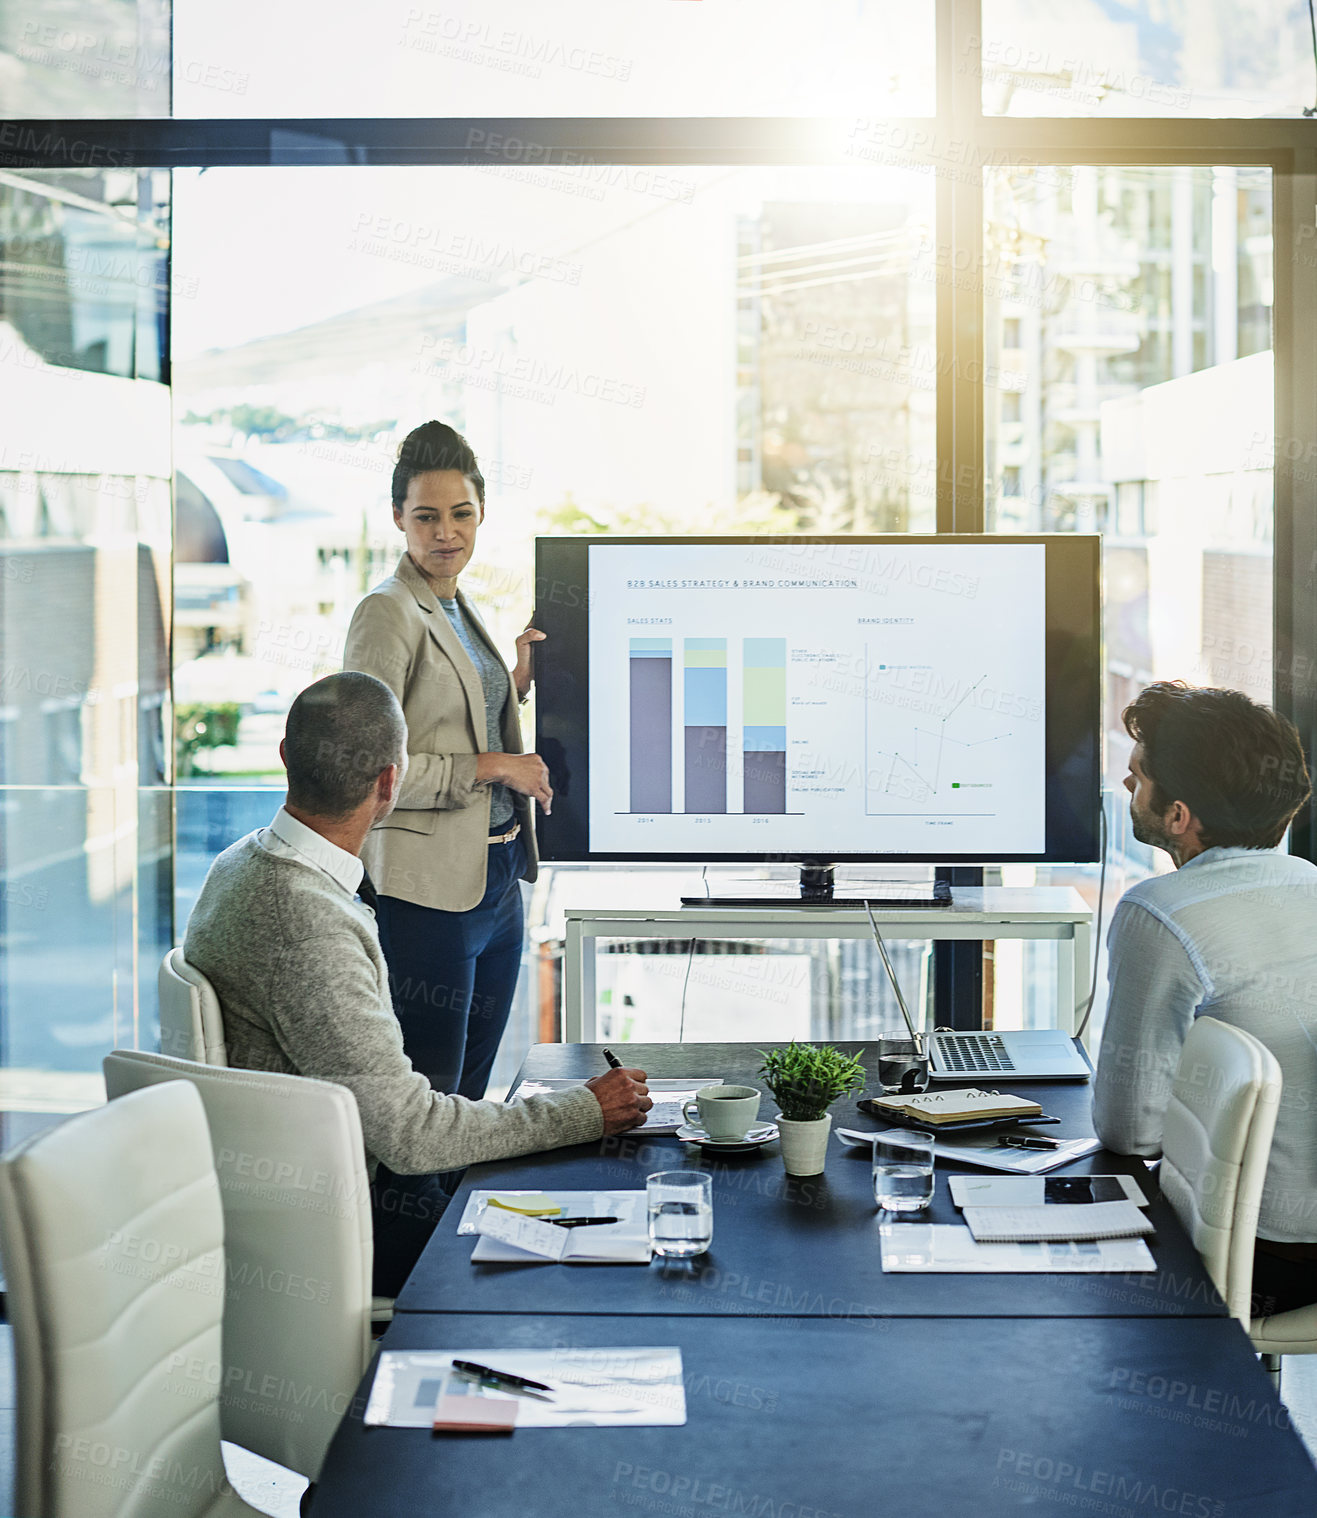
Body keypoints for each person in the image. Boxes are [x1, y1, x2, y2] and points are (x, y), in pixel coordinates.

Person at [184, 671, 650, 1294]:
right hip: (354, 1224)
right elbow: (410, 1136)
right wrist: (585, 1110)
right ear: (389, 782)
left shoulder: (243, 862)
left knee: (565, 1189)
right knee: (609, 1245)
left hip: (320, 1194)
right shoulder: (306, 921)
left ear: (285, 756)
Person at [1092, 680, 1317, 1318]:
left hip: (1264, 1257)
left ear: (1180, 816)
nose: (1129, 788)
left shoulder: (1160, 914)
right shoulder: (1312, 883)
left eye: (1137, 779)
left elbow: (1129, 1129)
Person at [343, 420, 549, 1101]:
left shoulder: (457, 605)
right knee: (431, 1100)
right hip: (426, 894)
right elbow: (366, 765)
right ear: (398, 517)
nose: (445, 533)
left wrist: (512, 680)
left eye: (461, 514)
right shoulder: (387, 612)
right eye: (426, 517)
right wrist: (492, 766)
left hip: (495, 875)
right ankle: (414, 1215)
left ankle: (458, 1211)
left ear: (481, 512)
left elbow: (448, 715)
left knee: (470, 1094)